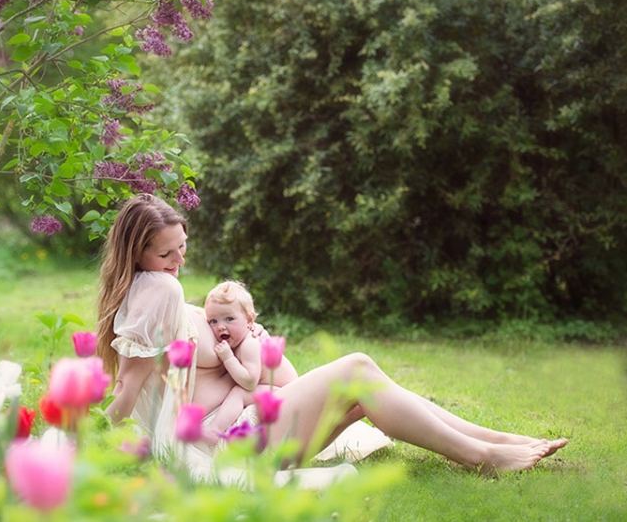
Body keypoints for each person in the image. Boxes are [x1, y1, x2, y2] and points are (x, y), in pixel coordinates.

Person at [98, 193, 567, 478]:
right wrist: (89, 441)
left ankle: (497, 441)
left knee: (366, 394)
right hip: (230, 442)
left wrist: (242, 332)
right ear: (137, 254)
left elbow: (200, 339)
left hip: (255, 426)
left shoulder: (164, 294)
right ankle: (483, 456)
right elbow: (129, 385)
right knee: (357, 368)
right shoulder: (158, 292)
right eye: (167, 255)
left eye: (183, 247)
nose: (179, 261)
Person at [198, 280, 298, 444]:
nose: (220, 326)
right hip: (277, 388)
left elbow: (250, 382)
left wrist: (228, 358)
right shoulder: (238, 341)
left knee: (239, 393)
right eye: (213, 321)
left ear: (250, 320)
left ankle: (214, 430)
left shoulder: (249, 344)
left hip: (286, 392)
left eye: (229, 319)